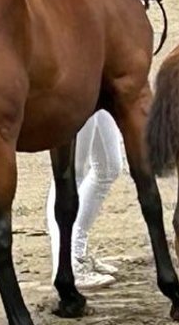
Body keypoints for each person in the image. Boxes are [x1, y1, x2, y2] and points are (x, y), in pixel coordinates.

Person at [46, 111, 125, 289]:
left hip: (100, 92)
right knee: (71, 173)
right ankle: (67, 264)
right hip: (77, 93)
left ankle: (77, 251)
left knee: (109, 167)